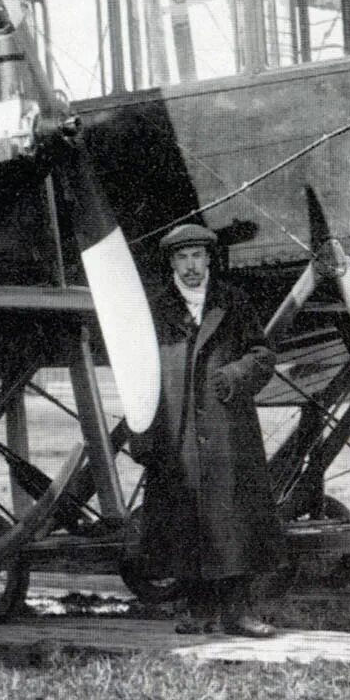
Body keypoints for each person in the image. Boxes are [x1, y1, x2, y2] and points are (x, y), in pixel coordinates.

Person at [128, 221, 285, 637]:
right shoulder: (156, 310)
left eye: (197, 256)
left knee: (234, 521)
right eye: (182, 258)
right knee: (186, 522)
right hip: (176, 434)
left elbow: (263, 354)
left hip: (227, 429)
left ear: (210, 258)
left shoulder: (232, 302)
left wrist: (236, 374)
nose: (191, 266)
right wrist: (142, 435)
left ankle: (239, 613)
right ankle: (198, 612)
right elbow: (137, 372)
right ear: (172, 263)